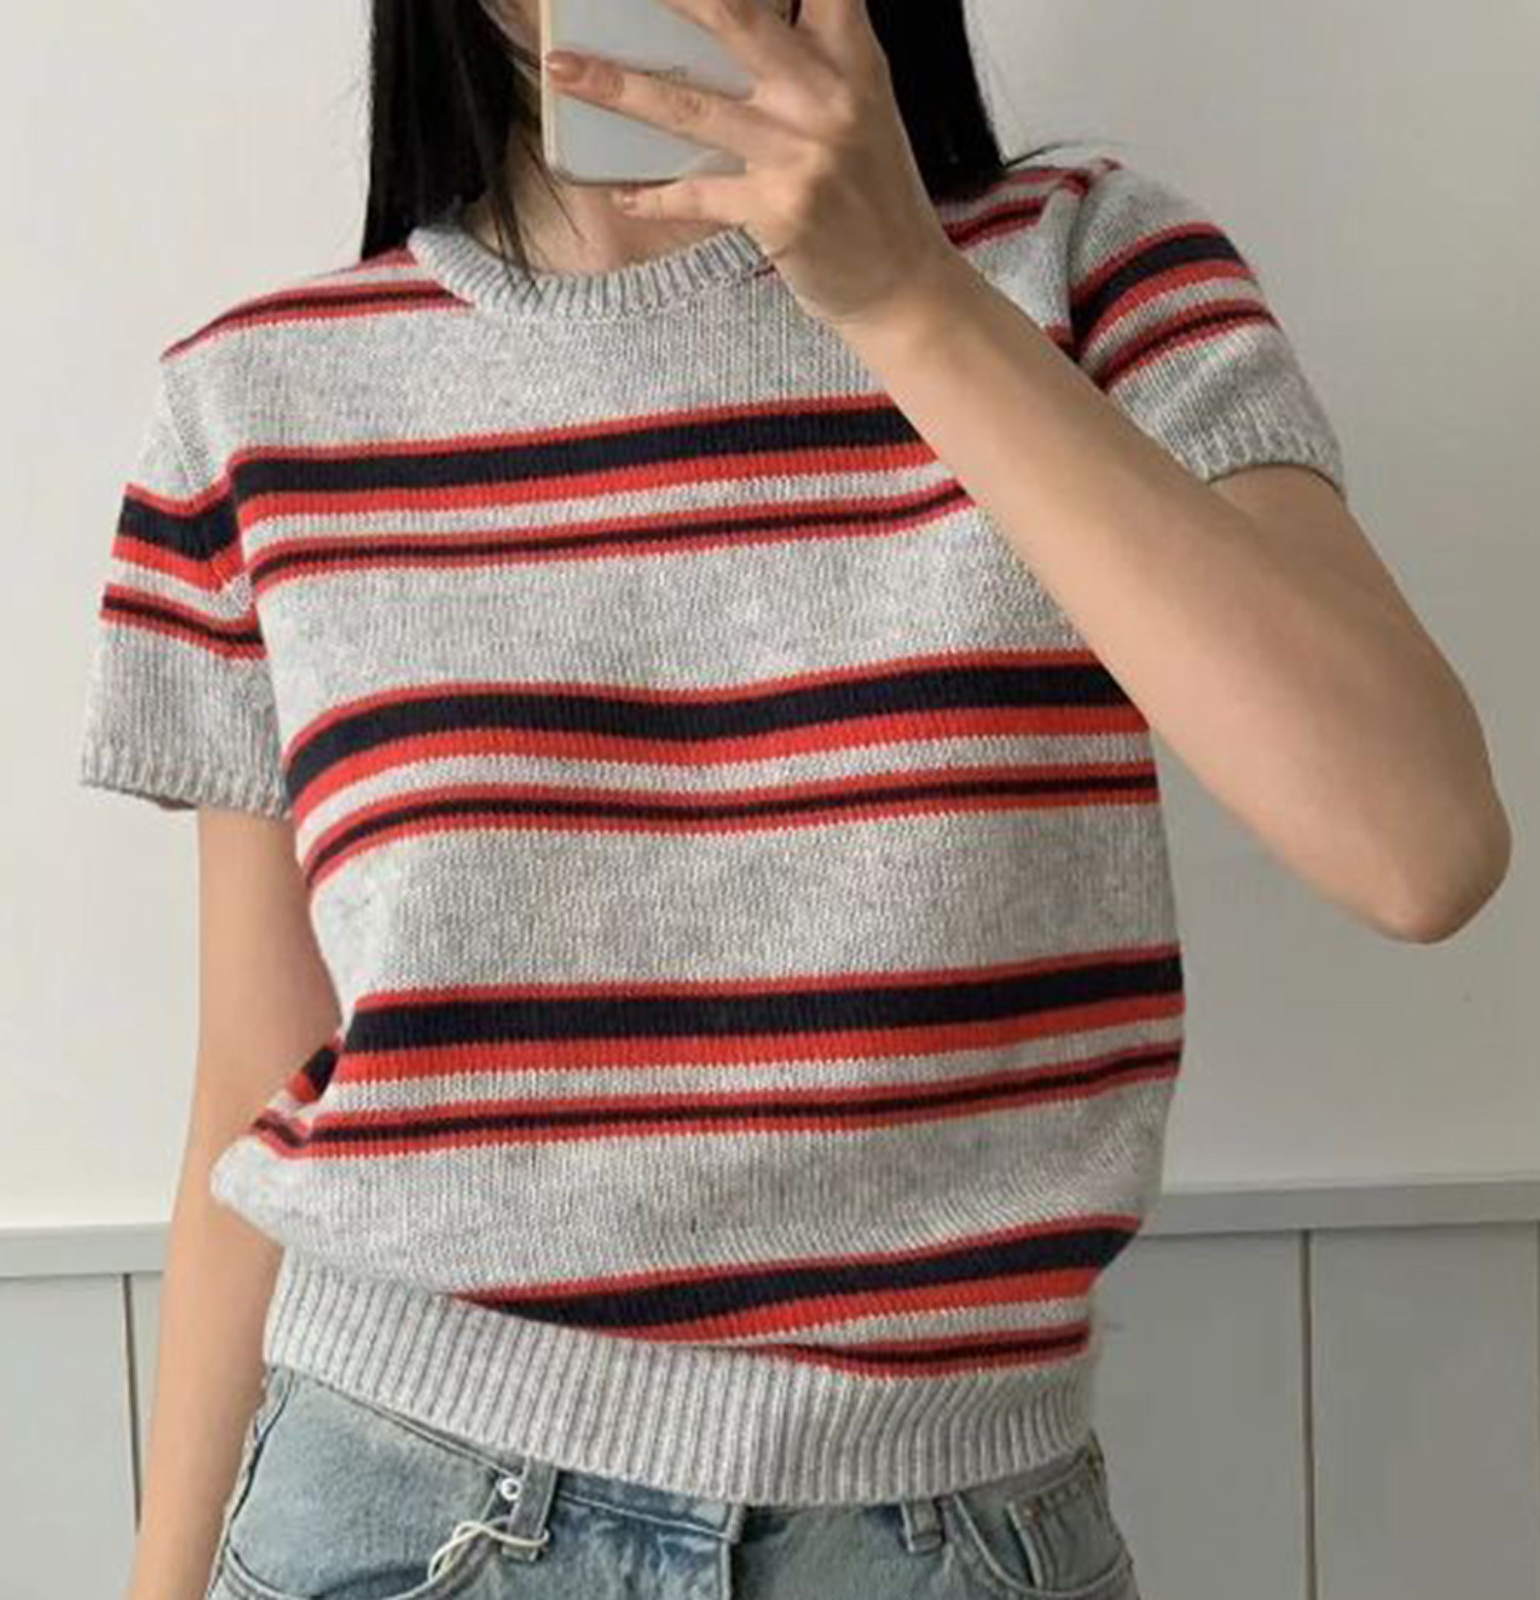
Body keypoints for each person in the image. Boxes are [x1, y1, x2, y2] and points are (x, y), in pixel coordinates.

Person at [77, 3, 1510, 1598]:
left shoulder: (1090, 274)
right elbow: (252, 1076)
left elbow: (1418, 845)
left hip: (945, 1531)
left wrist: (906, 297)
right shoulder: (254, 402)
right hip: (396, 1510)